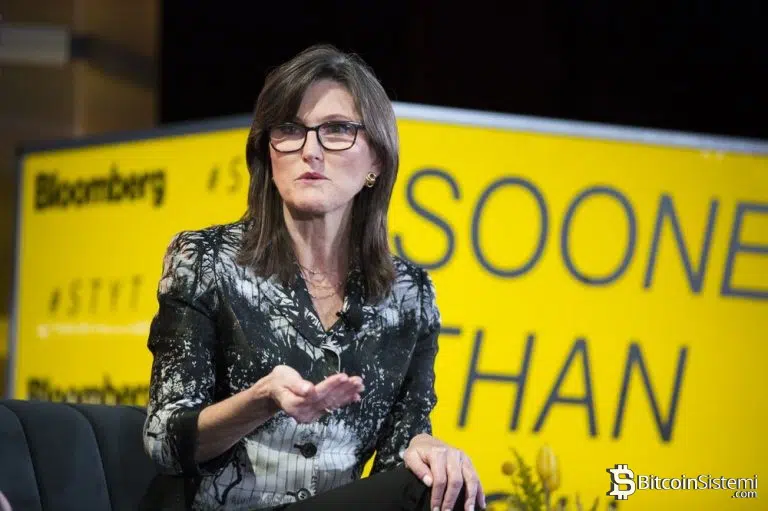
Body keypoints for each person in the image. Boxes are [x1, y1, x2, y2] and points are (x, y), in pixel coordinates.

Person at [141, 44, 485, 511]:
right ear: (268, 153)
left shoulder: (410, 295)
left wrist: (426, 449)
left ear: (376, 160)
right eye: (290, 130)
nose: (311, 150)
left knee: (446, 485)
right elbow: (165, 440)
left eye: (337, 130)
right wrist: (262, 399)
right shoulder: (205, 261)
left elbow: (399, 451)